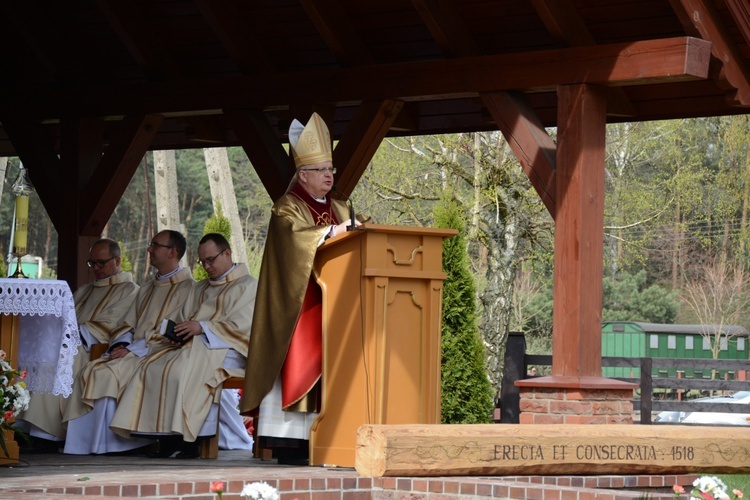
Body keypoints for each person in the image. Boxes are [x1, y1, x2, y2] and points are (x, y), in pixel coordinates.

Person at [241, 112, 360, 465]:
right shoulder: (286, 206)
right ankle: (291, 442)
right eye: (322, 170)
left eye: (331, 170)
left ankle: (333, 433)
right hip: (300, 306)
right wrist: (329, 234)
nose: (329, 176)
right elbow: (291, 241)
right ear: (303, 175)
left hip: (338, 304)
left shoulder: (340, 206)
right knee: (301, 359)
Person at [109, 233, 257, 458]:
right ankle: (165, 438)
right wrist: (175, 332)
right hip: (195, 347)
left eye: (211, 260)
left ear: (227, 253)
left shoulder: (249, 286)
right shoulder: (200, 288)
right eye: (202, 262)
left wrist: (203, 328)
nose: (207, 267)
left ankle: (193, 439)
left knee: (182, 367)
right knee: (151, 365)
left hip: (229, 349)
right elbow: (179, 316)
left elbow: (243, 327)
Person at [62, 230, 195, 454]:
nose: (149, 249)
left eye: (155, 245)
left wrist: (134, 350)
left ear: (173, 252)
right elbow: (127, 324)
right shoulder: (147, 288)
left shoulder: (190, 288)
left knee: (105, 374)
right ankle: (93, 444)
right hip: (134, 351)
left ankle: (120, 445)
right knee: (95, 370)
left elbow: (176, 331)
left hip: (159, 352)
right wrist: (121, 345)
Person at [17, 239, 138, 448]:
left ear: (117, 260)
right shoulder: (85, 290)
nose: (96, 269)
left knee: (59, 356)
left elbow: (113, 325)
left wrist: (68, 335)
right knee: (34, 352)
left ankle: (45, 432)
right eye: (92, 264)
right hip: (68, 341)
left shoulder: (130, 290)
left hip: (90, 349)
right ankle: (19, 425)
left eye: (101, 263)